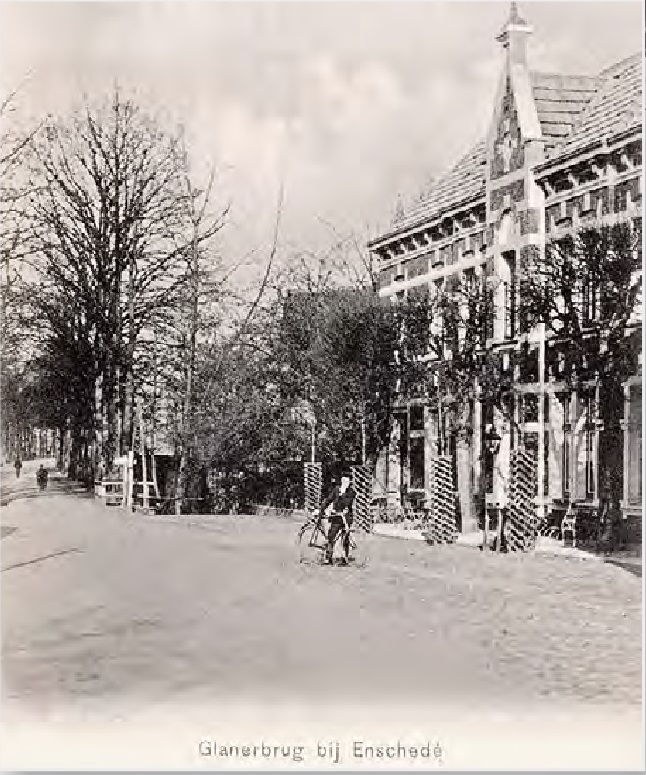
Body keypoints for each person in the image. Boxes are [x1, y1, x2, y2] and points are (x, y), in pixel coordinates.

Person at [315, 472, 356, 565]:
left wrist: (342, 494)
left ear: (350, 482)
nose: (345, 482)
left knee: (345, 537)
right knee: (331, 536)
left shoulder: (351, 492)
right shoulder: (336, 490)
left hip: (346, 517)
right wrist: (321, 510)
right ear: (341, 481)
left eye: (347, 481)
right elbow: (328, 500)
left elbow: (347, 503)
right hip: (336, 517)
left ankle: (345, 559)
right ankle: (328, 558)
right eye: (343, 480)